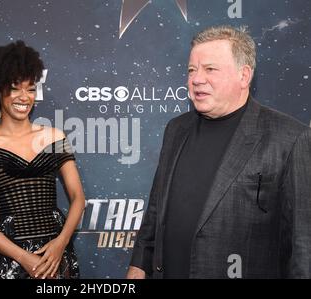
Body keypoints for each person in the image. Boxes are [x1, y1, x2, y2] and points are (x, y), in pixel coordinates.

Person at [127, 25, 311, 279]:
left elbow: (304, 243)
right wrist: (139, 265)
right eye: (192, 70)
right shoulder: (175, 130)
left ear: (244, 76)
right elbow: (157, 209)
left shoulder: (290, 138)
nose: (197, 79)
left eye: (210, 69)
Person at [0, 40, 85, 279]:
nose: (24, 97)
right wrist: (23, 257)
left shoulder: (54, 137)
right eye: (15, 88)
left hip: (54, 255)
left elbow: (78, 198)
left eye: (30, 89)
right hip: (6, 257)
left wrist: (61, 243)